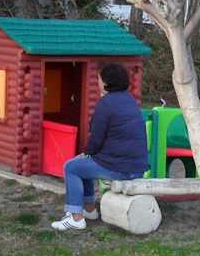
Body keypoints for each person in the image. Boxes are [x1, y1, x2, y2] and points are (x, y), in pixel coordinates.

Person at [52, 63, 148, 231]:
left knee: (71, 167)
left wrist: (87, 152)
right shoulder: (130, 100)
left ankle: (75, 217)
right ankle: (89, 210)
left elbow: (96, 138)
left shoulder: (106, 104)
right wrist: (89, 154)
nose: (98, 82)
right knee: (84, 163)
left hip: (120, 167)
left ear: (106, 82)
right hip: (136, 166)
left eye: (99, 79)